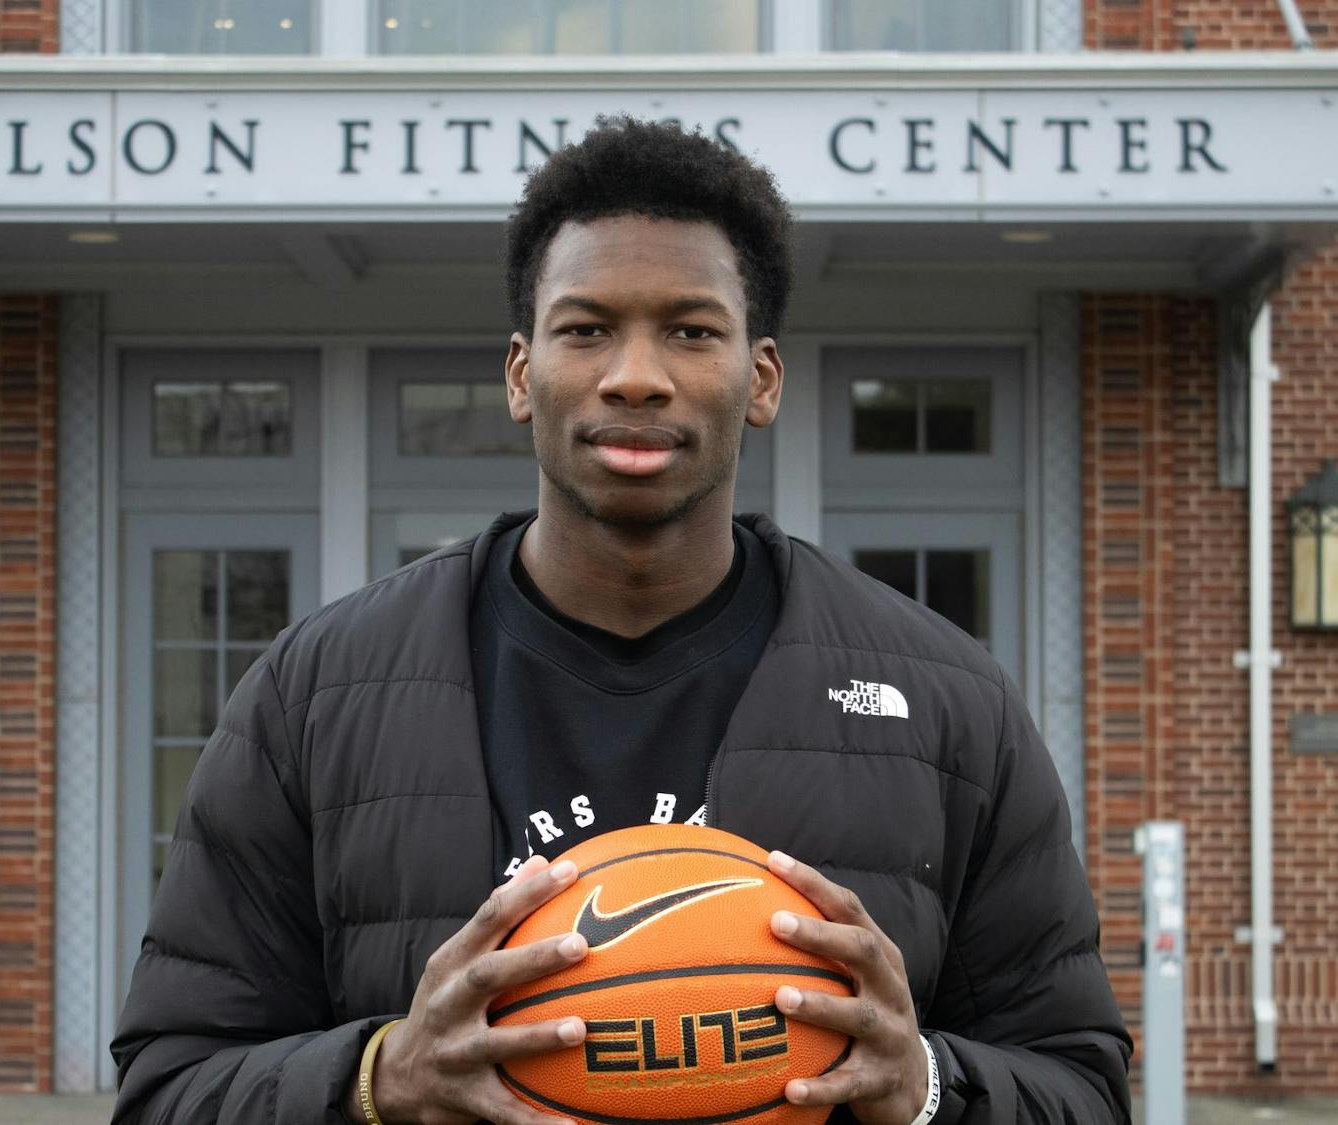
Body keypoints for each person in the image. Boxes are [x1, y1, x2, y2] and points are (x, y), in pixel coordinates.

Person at [111, 117, 1132, 1125]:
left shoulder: (948, 703)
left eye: (690, 330)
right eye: (587, 327)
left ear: (761, 378)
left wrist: (924, 1087)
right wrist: (377, 1080)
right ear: (522, 374)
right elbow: (169, 1084)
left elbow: (1081, 1086)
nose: (636, 374)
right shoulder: (318, 693)